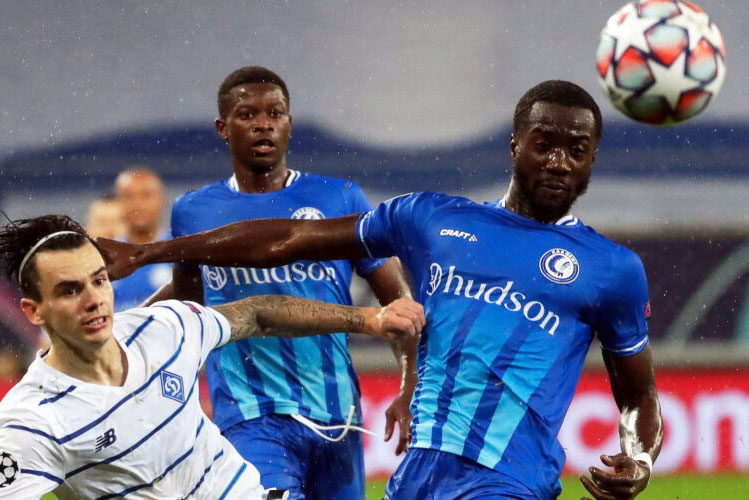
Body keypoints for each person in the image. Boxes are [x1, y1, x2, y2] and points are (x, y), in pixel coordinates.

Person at [100, 80, 663, 500]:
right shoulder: (432, 218)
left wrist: (638, 459)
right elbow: (289, 237)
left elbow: (639, 397)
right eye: (545, 145)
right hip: (416, 478)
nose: (560, 162)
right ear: (515, 145)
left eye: (577, 150)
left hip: (508, 481)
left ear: (592, 158)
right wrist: (150, 253)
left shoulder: (612, 268)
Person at [0, 215, 422, 499]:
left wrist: (368, 318)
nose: (94, 300)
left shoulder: (161, 328)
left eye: (99, 281)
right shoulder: (31, 421)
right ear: (34, 311)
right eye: (70, 290)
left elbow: (256, 313)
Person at [140, 66, 418, 499]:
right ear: (223, 128)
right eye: (247, 115)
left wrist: (410, 385)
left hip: (338, 414)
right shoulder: (194, 211)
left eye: (275, 113)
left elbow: (400, 304)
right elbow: (187, 310)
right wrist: (129, 333)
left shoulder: (340, 198)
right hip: (250, 416)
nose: (263, 124)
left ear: (289, 123)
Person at [112, 167, 171, 311]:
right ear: (118, 203)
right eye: (128, 196)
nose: (137, 204)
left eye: (146, 195)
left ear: (161, 201)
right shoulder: (104, 256)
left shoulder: (181, 253)